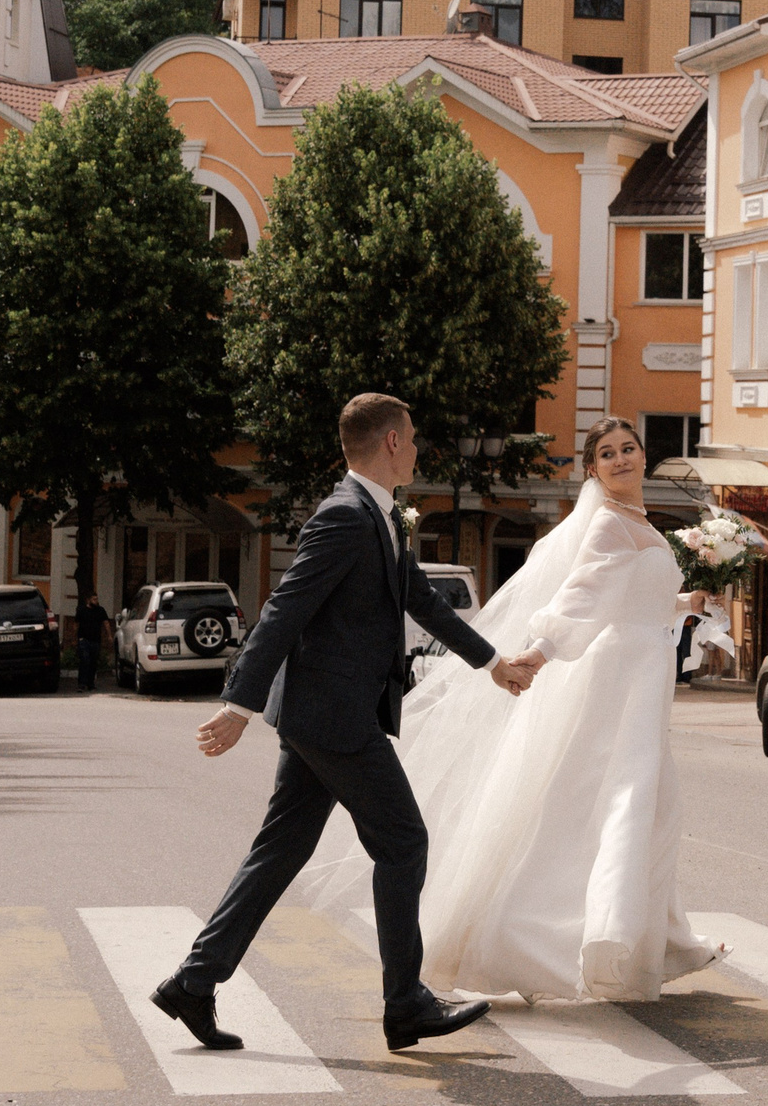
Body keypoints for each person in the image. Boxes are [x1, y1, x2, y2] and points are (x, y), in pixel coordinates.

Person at [155, 394, 540, 1056]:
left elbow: (421, 601)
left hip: (324, 713)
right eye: (411, 437)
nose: (417, 449)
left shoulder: (378, 516)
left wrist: (492, 663)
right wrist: (238, 705)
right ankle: (405, 1003)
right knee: (403, 841)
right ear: (390, 442)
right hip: (334, 716)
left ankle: (194, 982)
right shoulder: (344, 517)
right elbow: (284, 609)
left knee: (281, 849)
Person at [302, 416, 725, 1003]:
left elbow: (632, 597)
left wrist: (686, 601)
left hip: (645, 680)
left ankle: (655, 939)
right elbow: (582, 597)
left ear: (644, 456)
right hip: (620, 687)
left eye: (628, 448)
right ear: (592, 469)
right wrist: (539, 652)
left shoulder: (640, 522)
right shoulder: (608, 523)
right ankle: (582, 942)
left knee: (653, 807)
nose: (621, 459)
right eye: (607, 453)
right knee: (623, 803)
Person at [72, 592, 109, 692]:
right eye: (94, 599)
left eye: (97, 599)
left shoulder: (100, 610)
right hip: (84, 639)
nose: (96, 601)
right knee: (84, 660)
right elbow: (76, 624)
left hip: (96, 640)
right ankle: (81, 684)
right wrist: (74, 638)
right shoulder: (82, 610)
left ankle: (91, 684)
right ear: (88, 600)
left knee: (93, 662)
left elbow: (106, 623)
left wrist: (109, 635)